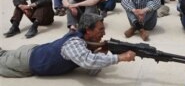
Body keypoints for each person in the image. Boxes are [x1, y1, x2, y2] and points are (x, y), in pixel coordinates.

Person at [0, 13, 136, 77]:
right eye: (100, 29)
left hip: (36, 54)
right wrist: (120, 57)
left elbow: (92, 70)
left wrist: (103, 51)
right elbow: (89, 62)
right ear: (88, 30)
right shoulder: (74, 43)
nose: (104, 32)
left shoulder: (83, 42)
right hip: (25, 60)